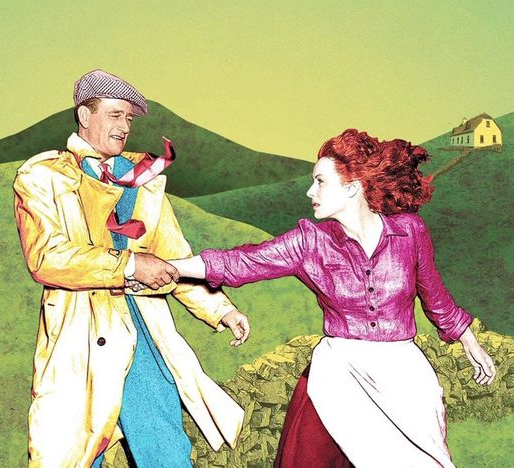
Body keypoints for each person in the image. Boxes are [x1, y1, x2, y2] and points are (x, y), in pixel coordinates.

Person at [167, 129, 497, 467]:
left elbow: (435, 296)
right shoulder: (310, 242)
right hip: (338, 375)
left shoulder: (410, 232)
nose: (310, 191)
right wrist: (168, 267)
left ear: (352, 187)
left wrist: (469, 341)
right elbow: (240, 262)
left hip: (403, 376)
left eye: (320, 181)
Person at [13, 69, 249, 467]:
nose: (124, 126)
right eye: (114, 115)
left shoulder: (141, 179)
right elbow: (47, 258)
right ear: (85, 115)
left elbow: (172, 255)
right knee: (69, 453)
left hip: (143, 329)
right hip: (78, 334)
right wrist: (130, 265)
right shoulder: (42, 177)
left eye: (129, 118)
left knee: (165, 449)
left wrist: (220, 309)